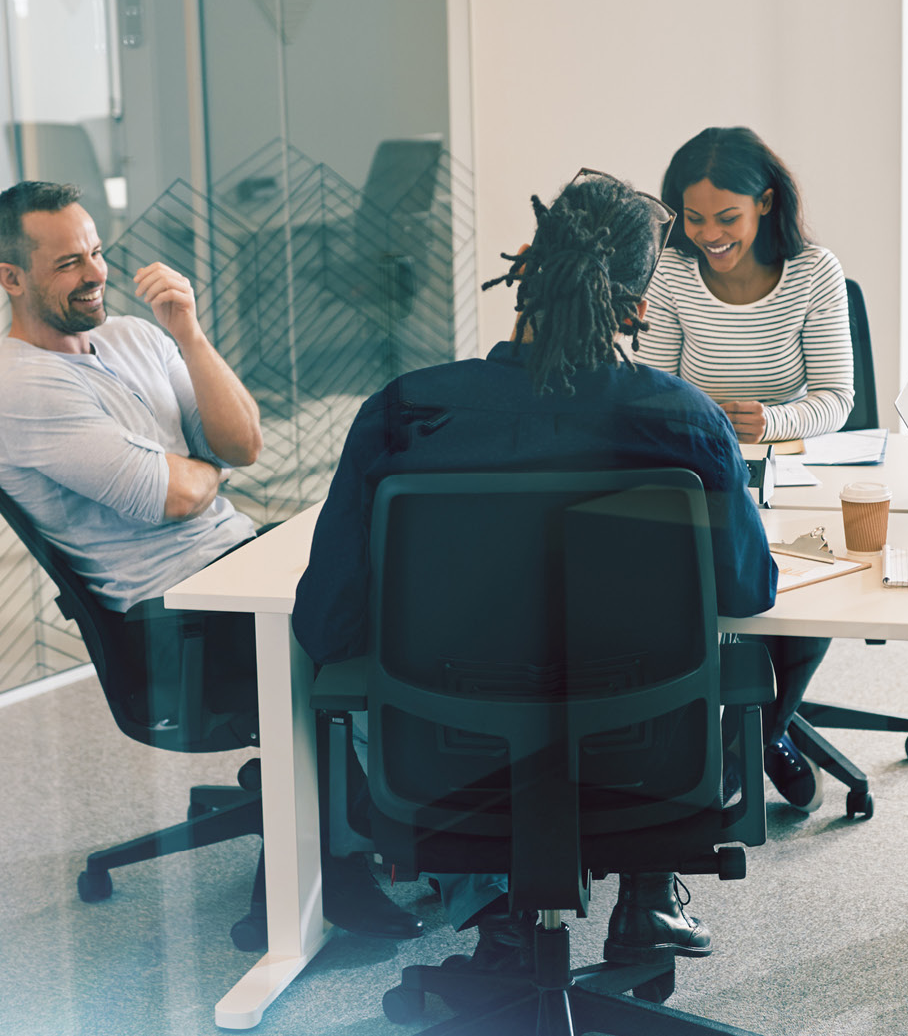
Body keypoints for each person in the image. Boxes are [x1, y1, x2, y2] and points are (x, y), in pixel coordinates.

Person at [293, 168, 778, 973]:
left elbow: (327, 621)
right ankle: (646, 893)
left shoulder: (408, 413)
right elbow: (748, 591)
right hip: (646, 766)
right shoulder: (683, 421)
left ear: (525, 269)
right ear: (640, 307)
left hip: (448, 765)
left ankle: (499, 922)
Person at [0, 180, 416, 946]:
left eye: (98, 252)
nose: (96, 273)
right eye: (69, 262)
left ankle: (387, 813)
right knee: (367, 625)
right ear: (12, 277)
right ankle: (339, 860)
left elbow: (240, 444)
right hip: (175, 622)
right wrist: (197, 465)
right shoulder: (21, 388)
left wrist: (191, 334)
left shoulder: (138, 336)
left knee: (405, 574)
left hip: (235, 560)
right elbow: (170, 497)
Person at [637, 126, 851, 812]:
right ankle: (740, 739)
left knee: (806, 600)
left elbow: (837, 398)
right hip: (694, 470)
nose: (710, 235)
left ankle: (759, 737)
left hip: (788, 472)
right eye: (693, 219)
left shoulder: (815, 272)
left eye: (727, 218)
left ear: (763, 203)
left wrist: (773, 420)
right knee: (688, 588)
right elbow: (649, 386)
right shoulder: (670, 273)